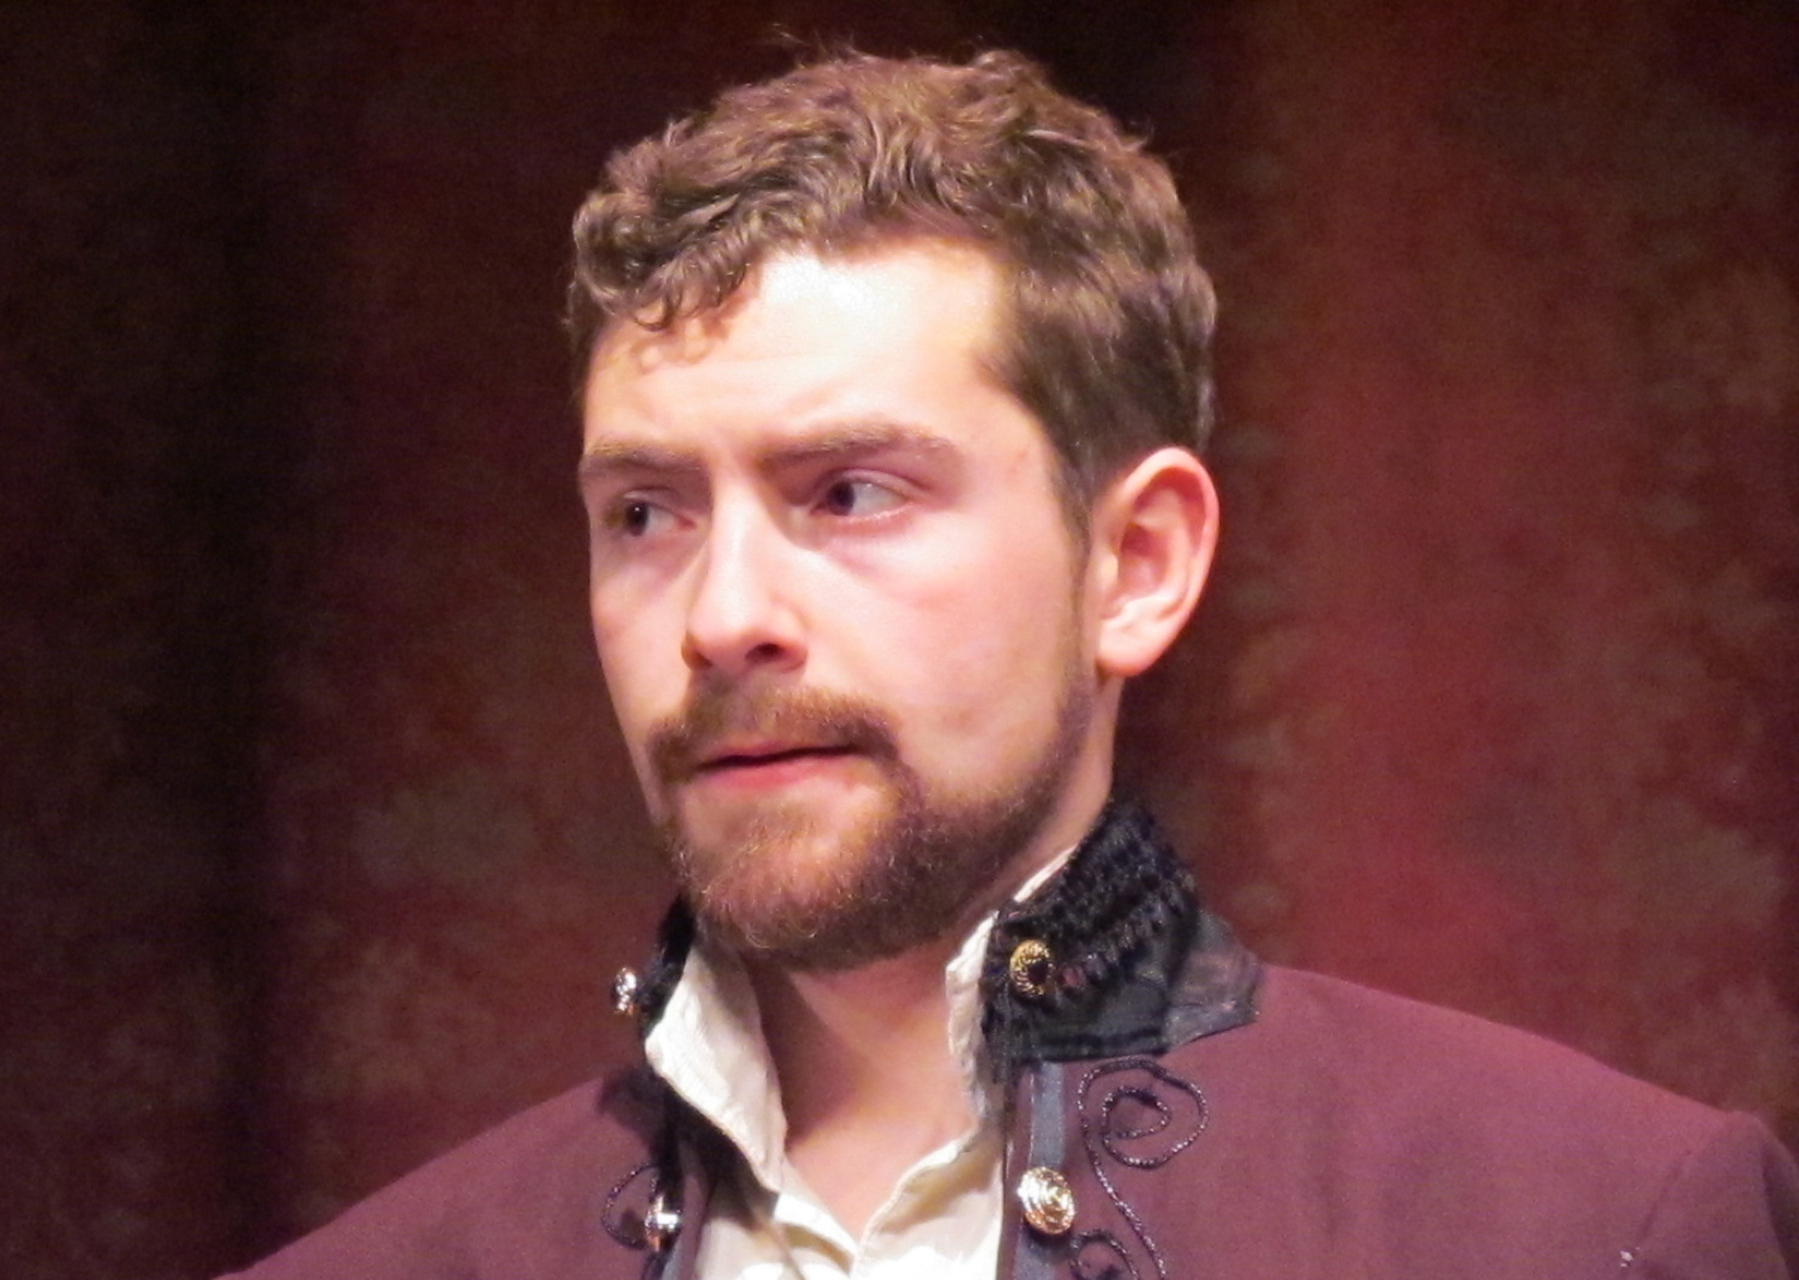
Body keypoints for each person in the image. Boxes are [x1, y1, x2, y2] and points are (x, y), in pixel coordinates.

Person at [227, 49, 1798, 1280]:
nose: (720, 617)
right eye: (645, 512)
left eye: (851, 491)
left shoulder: (1594, 1229)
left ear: (1137, 565)